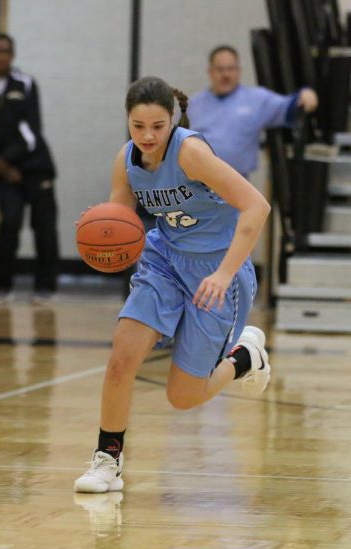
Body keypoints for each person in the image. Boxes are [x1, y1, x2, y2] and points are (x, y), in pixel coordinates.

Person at [74, 76, 272, 494]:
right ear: (128, 121)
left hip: (218, 270)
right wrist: (100, 228)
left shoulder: (192, 153)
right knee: (122, 357)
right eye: (138, 126)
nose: (147, 136)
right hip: (163, 258)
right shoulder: (125, 160)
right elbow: (121, 219)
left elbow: (257, 206)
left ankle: (245, 357)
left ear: (174, 120)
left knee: (182, 396)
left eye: (158, 127)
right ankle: (108, 460)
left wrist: (223, 274)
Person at [0, 33, 59, 304]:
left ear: (13, 56)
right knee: (9, 224)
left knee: (43, 227)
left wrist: (5, 161)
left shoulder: (24, 84)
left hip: (35, 167)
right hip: (6, 174)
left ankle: (45, 287)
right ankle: (1, 286)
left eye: (7, 51)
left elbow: (31, 133)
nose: (2, 56)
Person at [188, 45, 319, 179]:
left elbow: (289, 107)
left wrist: (305, 95)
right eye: (220, 69)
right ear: (210, 72)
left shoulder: (257, 99)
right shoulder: (193, 105)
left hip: (237, 183)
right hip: (198, 183)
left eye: (231, 69)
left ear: (239, 71)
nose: (226, 74)